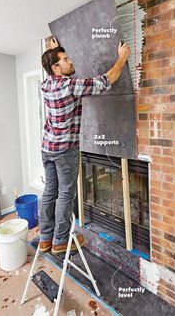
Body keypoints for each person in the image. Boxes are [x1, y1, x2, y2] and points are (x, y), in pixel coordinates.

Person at [39, 37, 130, 255]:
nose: (70, 62)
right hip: (64, 150)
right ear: (56, 67)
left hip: (47, 148)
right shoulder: (70, 86)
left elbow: (51, 69)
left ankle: (45, 238)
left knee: (50, 192)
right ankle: (60, 241)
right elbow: (105, 81)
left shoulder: (46, 84)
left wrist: (52, 51)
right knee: (65, 194)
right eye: (65, 59)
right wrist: (122, 58)